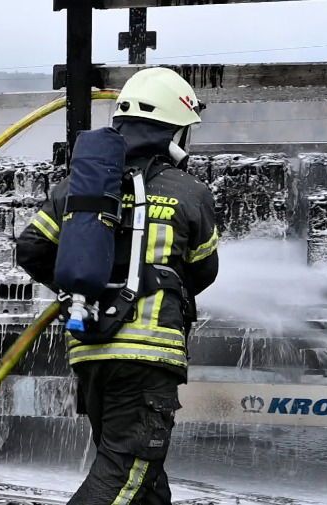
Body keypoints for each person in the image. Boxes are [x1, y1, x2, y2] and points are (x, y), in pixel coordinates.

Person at [15, 67, 219, 505]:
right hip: (147, 356)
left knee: (142, 481)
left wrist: (79, 287)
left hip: (90, 350)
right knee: (124, 474)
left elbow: (32, 249)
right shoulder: (189, 192)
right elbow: (204, 270)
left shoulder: (77, 187)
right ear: (172, 130)